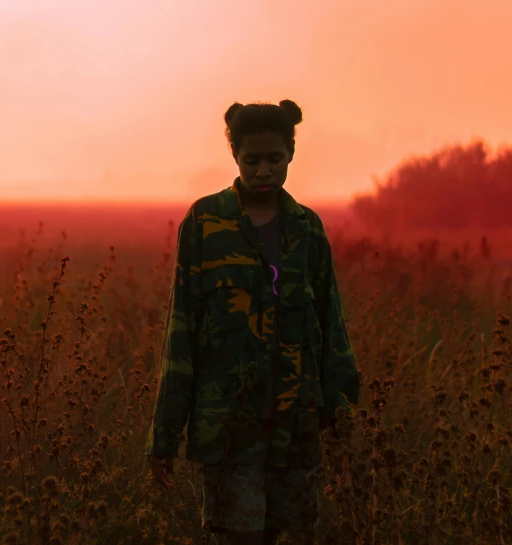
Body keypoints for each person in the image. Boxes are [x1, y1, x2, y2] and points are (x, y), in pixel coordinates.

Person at [145, 100, 361, 545]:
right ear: (235, 157)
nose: (264, 170)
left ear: (291, 154)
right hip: (229, 421)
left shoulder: (307, 229)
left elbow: (330, 324)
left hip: (296, 421)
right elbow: (181, 331)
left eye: (274, 159)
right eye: (252, 160)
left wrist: (342, 416)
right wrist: (164, 435)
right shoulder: (205, 222)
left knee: (279, 533)